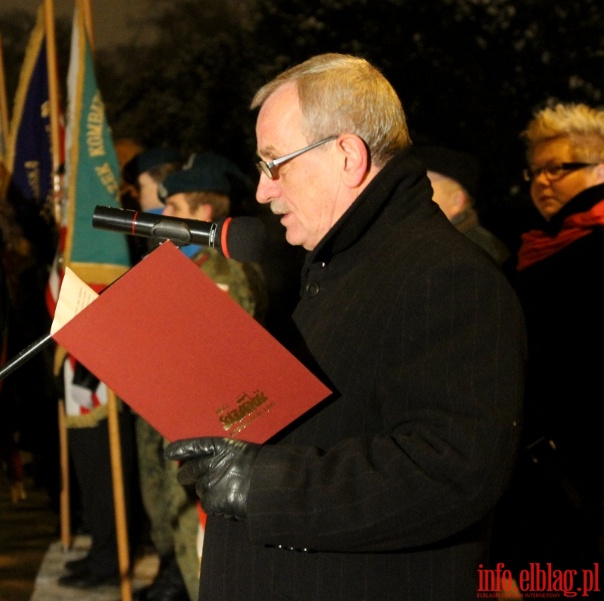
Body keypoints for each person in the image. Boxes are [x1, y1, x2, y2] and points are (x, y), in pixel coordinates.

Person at [164, 53, 526, 601]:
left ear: (347, 156)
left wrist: (265, 486)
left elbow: (454, 469)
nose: (263, 191)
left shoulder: (445, 275)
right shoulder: (330, 265)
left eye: (273, 164)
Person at [132, 164, 267, 601]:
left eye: (171, 206)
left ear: (202, 210)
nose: (161, 212)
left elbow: (234, 358)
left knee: (201, 544)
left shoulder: (226, 272)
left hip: (210, 429)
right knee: (172, 521)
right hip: (171, 416)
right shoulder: (173, 264)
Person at [490, 102, 604, 582]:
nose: (542, 181)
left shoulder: (591, 245)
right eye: (535, 170)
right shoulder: (534, 247)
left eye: (559, 168)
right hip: (540, 475)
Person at [412, 145, 511, 264]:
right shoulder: (444, 242)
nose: (413, 195)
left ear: (457, 201)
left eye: (424, 187)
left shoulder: (478, 252)